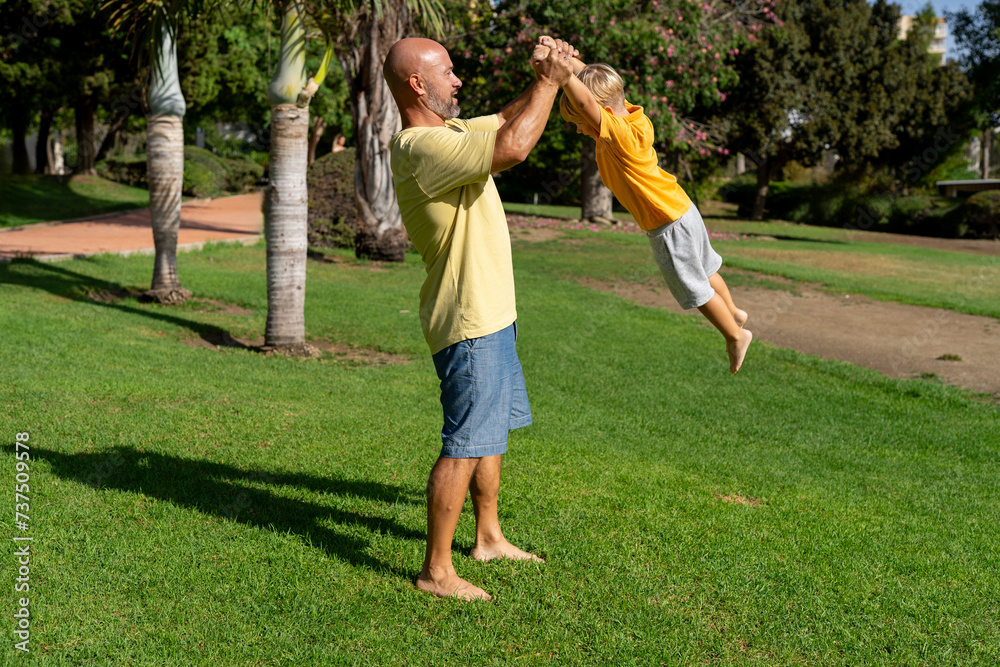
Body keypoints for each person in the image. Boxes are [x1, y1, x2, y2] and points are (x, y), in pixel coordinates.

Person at [383, 37, 576, 601]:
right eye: (447, 71)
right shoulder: (421, 147)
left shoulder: (455, 132)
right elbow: (514, 148)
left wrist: (543, 73)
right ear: (418, 85)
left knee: (489, 433)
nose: (458, 80)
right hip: (466, 319)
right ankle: (435, 571)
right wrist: (551, 83)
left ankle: (488, 536)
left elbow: (510, 118)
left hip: (493, 311)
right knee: (464, 441)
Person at [544, 38, 753, 373]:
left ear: (604, 114)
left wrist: (566, 77)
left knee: (694, 286)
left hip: (667, 224)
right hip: (682, 208)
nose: (581, 129)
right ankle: (735, 312)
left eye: (579, 124)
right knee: (707, 269)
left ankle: (734, 335)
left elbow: (587, 105)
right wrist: (571, 64)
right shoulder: (635, 119)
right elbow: (598, 88)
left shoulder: (618, 135)